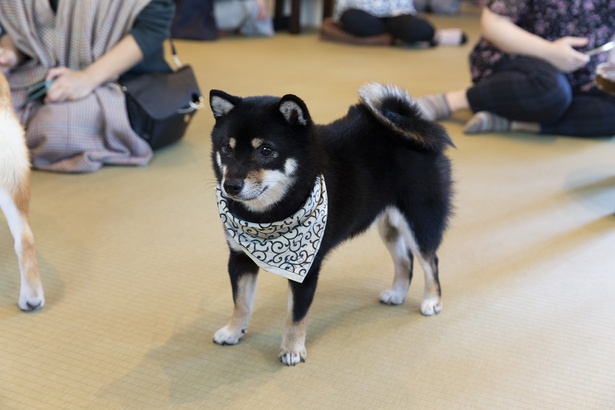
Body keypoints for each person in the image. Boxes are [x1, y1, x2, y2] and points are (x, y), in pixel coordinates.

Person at [0, 0, 175, 173]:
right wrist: (11, 54)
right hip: (41, 73)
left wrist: (87, 78)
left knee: (53, 127)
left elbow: (152, 27)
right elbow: (19, 26)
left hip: (117, 80)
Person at [416, 0, 615, 137]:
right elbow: (492, 24)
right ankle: (453, 101)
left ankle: (514, 123)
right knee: (551, 91)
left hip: (582, 74)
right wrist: (549, 52)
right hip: (518, 63)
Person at [333, 0, 467, 47]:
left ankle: (437, 36)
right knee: (350, 17)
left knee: (416, 28)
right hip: (362, 13)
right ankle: (398, 38)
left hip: (396, 14)